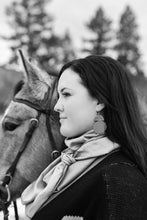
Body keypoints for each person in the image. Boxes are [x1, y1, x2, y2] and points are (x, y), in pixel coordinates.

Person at [21, 55, 147, 220]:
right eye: (58, 96)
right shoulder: (67, 165)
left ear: (100, 101)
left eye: (66, 94)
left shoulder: (118, 179)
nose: (57, 107)